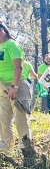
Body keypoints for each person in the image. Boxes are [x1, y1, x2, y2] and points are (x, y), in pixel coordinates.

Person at [0, 22, 33, 154]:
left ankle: (25, 146)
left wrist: (14, 86)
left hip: (18, 86)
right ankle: (5, 144)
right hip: (2, 89)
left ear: (2, 30)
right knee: (3, 118)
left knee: (21, 118)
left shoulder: (12, 45)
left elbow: (18, 67)